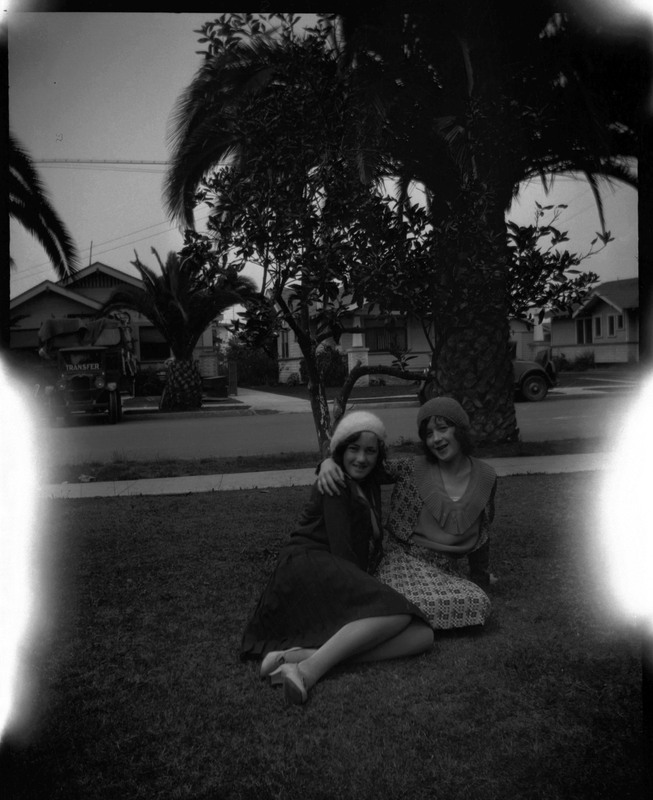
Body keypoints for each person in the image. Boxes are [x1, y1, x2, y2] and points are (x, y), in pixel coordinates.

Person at [240, 410, 434, 705]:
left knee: (423, 636)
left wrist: (326, 460)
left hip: (333, 569)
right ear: (341, 450)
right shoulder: (335, 483)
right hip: (308, 567)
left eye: (370, 451)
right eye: (353, 449)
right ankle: (307, 671)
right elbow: (343, 554)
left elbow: (402, 467)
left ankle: (299, 656)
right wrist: (328, 463)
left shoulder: (369, 479)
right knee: (399, 613)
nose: (361, 458)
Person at [318, 397, 497, 630]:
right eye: (428, 434)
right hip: (400, 561)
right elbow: (362, 464)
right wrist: (328, 462)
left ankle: (393, 615)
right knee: (407, 600)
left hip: (444, 572)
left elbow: (482, 532)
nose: (436, 439)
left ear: (460, 430)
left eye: (443, 428)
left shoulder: (486, 477)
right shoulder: (412, 467)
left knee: (478, 602)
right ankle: (393, 612)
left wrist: (480, 577)